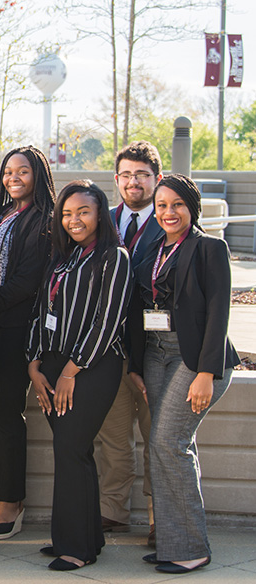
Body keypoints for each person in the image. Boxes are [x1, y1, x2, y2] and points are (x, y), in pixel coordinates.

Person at [127, 174, 239, 574]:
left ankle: (192, 548)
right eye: (161, 206)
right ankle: (172, 542)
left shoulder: (210, 248)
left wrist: (206, 373)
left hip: (194, 360)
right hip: (157, 357)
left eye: (177, 204)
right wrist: (137, 365)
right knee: (166, 448)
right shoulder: (152, 250)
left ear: (192, 207)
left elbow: (218, 315)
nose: (168, 212)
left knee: (168, 444)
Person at [27, 180, 132, 571]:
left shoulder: (113, 257)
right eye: (67, 213)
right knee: (75, 453)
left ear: (100, 214)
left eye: (83, 212)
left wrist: (72, 370)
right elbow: (42, 310)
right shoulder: (63, 258)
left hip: (92, 367)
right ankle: (85, 538)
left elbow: (109, 321)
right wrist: (34, 363)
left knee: (70, 450)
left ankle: (76, 548)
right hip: (52, 365)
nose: (74, 220)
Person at [0, 146, 55, 540]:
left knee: (5, 414)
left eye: (22, 171)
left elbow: (25, 284)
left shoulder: (44, 222)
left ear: (38, 175)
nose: (13, 178)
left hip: (13, 331)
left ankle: (12, 501)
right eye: (8, 172)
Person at [95, 141, 164, 545]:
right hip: (111, 348)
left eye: (142, 175)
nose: (134, 181)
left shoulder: (172, 216)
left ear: (155, 178)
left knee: (159, 437)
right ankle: (113, 512)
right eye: (127, 174)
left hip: (158, 350)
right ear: (116, 179)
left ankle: (161, 516)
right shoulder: (103, 219)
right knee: (114, 438)